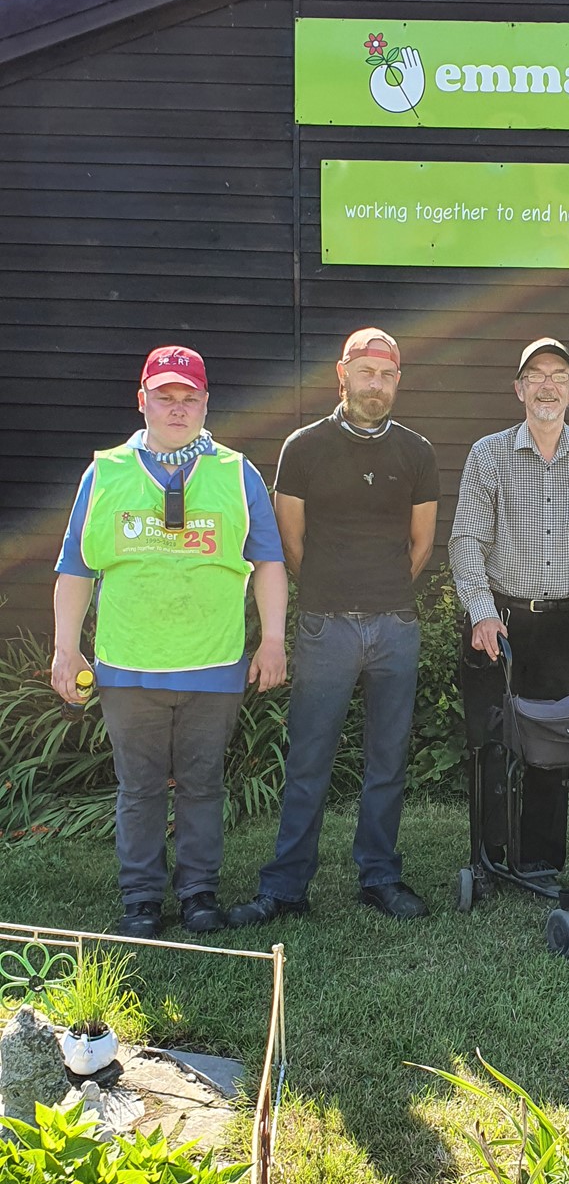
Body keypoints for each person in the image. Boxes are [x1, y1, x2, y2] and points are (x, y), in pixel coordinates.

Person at [51, 345, 288, 938]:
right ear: (143, 400)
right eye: (165, 397)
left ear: (206, 403)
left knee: (204, 784)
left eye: (189, 399)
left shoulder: (237, 473)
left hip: (213, 664)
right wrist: (65, 647)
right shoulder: (104, 471)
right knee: (139, 787)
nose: (177, 409)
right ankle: (141, 900)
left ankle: (199, 893)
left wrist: (274, 640)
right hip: (128, 666)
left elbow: (269, 563)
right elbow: (76, 568)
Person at [228, 327, 439, 925]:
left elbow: (421, 545)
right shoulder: (303, 447)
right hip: (324, 626)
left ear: (398, 381)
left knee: (387, 760)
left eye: (387, 375)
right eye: (366, 372)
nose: (376, 385)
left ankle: (379, 876)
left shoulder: (417, 452)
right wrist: (332, 590)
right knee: (309, 758)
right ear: (342, 374)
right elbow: (289, 541)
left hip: (396, 625)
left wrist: (380, 591)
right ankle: (286, 887)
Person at [449, 337, 569, 881]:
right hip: (499, 621)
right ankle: (487, 858)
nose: (547, 384)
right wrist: (481, 611)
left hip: (565, 623)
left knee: (558, 743)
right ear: (519, 389)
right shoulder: (487, 455)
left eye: (558, 375)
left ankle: (539, 860)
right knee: (490, 740)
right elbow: (466, 541)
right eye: (535, 375)